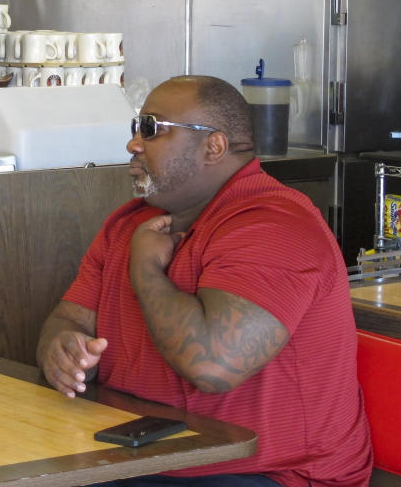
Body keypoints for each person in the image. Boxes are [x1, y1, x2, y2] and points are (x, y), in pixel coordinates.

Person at [36, 75, 372, 487]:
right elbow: (69, 318)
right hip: (138, 456)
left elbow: (213, 366)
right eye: (135, 129)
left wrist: (146, 271)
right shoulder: (130, 223)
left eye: (152, 130)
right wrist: (60, 349)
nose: (134, 144)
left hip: (265, 473)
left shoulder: (275, 226)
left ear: (213, 146)